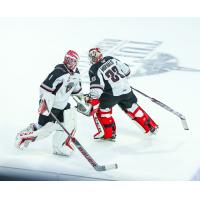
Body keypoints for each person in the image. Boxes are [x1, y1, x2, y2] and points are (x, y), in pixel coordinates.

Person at [15, 50, 82, 156]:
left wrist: (83, 101)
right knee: (44, 129)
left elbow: (76, 90)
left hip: (63, 106)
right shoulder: (59, 71)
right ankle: (23, 136)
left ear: (76, 62)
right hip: (52, 105)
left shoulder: (77, 73)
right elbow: (44, 88)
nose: (69, 62)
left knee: (70, 125)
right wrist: (46, 106)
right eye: (67, 59)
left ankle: (59, 147)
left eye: (72, 60)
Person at [84, 47, 158, 140]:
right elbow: (127, 71)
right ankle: (150, 126)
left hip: (112, 95)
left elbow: (97, 88)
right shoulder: (110, 58)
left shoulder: (94, 68)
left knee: (102, 109)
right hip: (126, 90)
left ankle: (109, 134)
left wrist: (92, 98)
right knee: (133, 107)